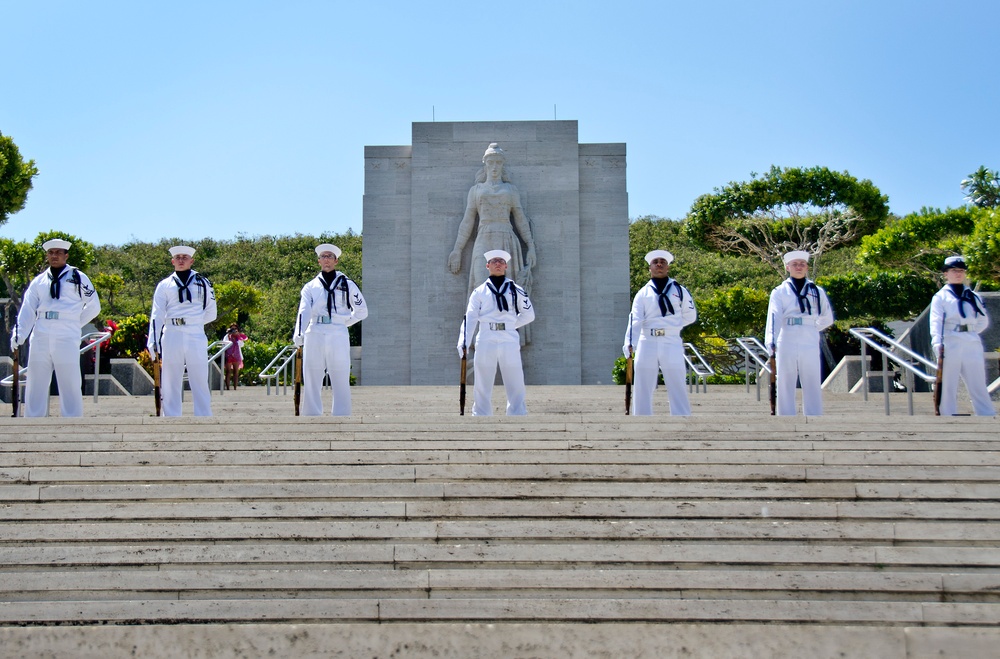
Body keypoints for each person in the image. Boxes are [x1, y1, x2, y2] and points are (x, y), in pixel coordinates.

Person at [448, 143, 537, 344]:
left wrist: (531, 246)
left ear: (502, 165)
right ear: (485, 164)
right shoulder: (476, 190)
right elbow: (468, 220)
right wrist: (457, 250)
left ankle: (509, 339)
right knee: (481, 290)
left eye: (498, 162)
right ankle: (481, 339)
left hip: (507, 238)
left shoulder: (511, 190)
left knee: (507, 293)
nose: (495, 166)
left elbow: (520, 219)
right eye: (491, 162)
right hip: (484, 237)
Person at [10, 238, 101, 417]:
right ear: (47, 256)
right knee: (36, 378)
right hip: (41, 331)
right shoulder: (39, 281)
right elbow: (28, 309)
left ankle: (72, 419)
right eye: (51, 253)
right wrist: (19, 334)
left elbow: (94, 306)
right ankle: (33, 419)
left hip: (66, 332)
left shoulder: (78, 277)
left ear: (66, 255)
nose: (54, 256)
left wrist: (75, 322)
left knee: (69, 379)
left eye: (58, 252)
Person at [458, 249, 535, 416]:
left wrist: (511, 324)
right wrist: (463, 342)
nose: (498, 264)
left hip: (509, 337)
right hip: (486, 336)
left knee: (514, 376)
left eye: (501, 261)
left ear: (506, 266)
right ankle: (481, 413)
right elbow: (470, 318)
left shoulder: (516, 289)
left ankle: (517, 412)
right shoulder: (479, 292)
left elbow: (529, 314)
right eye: (494, 261)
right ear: (487, 266)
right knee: (482, 378)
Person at [293, 243, 367, 416]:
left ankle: (342, 414)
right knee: (312, 374)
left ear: (336, 261)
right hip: (315, 330)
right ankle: (311, 414)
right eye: (323, 257)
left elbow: (362, 310)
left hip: (338, 333)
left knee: (340, 374)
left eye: (330, 257)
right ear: (319, 261)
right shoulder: (310, 287)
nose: (326, 260)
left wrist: (344, 323)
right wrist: (299, 333)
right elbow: (304, 311)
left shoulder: (347, 284)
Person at [623, 250, 697, 416]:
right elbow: (635, 320)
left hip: (671, 340)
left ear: (667, 267)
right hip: (647, 340)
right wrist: (630, 343)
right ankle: (642, 418)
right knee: (643, 382)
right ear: (649, 268)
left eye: (662, 262)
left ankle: (681, 416)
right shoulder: (643, 294)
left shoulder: (679, 290)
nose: (659, 265)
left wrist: (673, 326)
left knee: (676, 380)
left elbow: (690, 315)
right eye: (655, 262)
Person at [147, 245, 217, 417]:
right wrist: (153, 340)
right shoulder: (164, 285)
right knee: (170, 377)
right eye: (177, 257)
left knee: (199, 375)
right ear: (172, 261)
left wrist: (194, 323)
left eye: (184, 257)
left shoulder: (203, 282)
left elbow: (211, 311)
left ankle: (203, 415)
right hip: (172, 332)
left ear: (191, 261)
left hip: (195, 333)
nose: (180, 260)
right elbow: (157, 314)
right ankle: (171, 415)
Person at [764, 250, 835, 416]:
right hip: (786, 335)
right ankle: (785, 415)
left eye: (802, 264)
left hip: (809, 337)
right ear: (787, 267)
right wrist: (771, 342)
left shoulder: (817, 291)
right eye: (795, 264)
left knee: (811, 377)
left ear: (807, 267)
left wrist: (810, 326)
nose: (799, 267)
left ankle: (814, 414)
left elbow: (827, 317)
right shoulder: (779, 291)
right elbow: (774, 318)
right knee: (785, 378)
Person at [929, 255, 995, 417]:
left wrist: (970, 331)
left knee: (977, 381)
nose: (958, 274)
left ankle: (985, 413)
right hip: (950, 340)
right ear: (946, 274)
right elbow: (936, 321)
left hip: (971, 340)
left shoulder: (973, 296)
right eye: (953, 270)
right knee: (948, 382)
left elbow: (983, 320)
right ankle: (947, 414)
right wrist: (937, 342)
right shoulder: (940, 297)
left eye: (961, 270)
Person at [224, 323, 248, 390]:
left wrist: (238, 337)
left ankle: (235, 387)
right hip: (228, 355)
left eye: (235, 329)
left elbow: (241, 344)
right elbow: (224, 343)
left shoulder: (238, 336)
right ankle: (228, 387)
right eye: (232, 329)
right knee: (228, 372)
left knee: (236, 372)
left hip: (236, 355)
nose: (234, 330)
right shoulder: (227, 336)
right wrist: (229, 335)